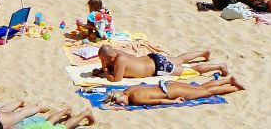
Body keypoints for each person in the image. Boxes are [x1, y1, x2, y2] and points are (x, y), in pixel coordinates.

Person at [93, 45, 225, 81]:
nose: (102, 63)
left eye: (103, 60)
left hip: (159, 67)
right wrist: (103, 68)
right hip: (152, 58)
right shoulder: (116, 53)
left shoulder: (120, 60)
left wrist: (104, 72)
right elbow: (112, 64)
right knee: (179, 59)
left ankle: (219, 66)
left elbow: (116, 79)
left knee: (191, 70)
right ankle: (203, 52)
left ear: (110, 58)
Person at [104, 77, 245, 107]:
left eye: (119, 102)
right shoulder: (128, 90)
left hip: (171, 92)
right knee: (201, 88)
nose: (121, 105)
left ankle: (234, 87)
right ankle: (228, 80)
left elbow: (158, 101)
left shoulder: (135, 98)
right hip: (167, 84)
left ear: (121, 95)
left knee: (206, 92)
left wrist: (174, 101)